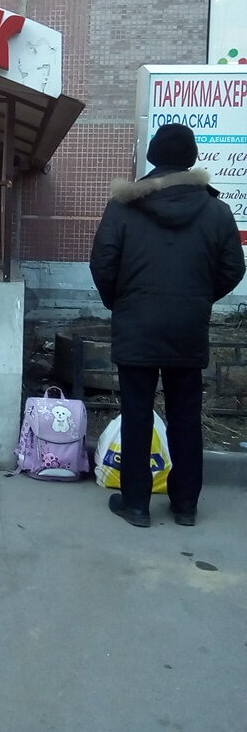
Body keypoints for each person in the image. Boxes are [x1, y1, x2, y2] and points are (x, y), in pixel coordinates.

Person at [89, 123, 245, 527]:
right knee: (186, 415)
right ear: (192, 160)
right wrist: (198, 300)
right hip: (187, 328)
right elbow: (233, 268)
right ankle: (186, 506)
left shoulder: (123, 207)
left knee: (137, 414)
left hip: (137, 325)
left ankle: (137, 504)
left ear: (153, 157)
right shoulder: (216, 210)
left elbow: (103, 263)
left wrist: (119, 303)